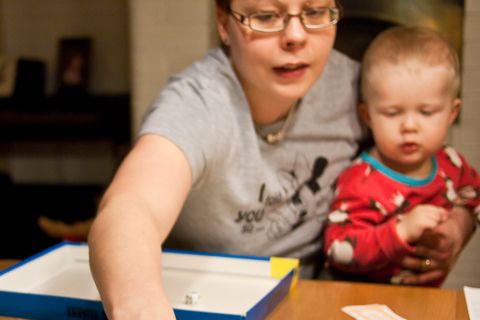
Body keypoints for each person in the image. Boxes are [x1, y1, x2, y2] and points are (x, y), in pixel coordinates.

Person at [88, 2, 475, 318]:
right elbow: (130, 207)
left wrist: (457, 226)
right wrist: (140, 307)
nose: (295, 36)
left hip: (324, 295)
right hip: (214, 301)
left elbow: (444, 171)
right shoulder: (199, 102)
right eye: (267, 17)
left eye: (315, 12)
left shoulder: (362, 86)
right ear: (224, 23)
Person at [323, 26, 480, 286]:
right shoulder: (360, 180)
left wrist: (457, 227)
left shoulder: (451, 164)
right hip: (357, 299)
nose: (409, 126)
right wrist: (400, 231)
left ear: (451, 114)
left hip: (421, 301)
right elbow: (338, 250)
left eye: (426, 112)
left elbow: (473, 194)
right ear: (367, 116)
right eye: (393, 113)